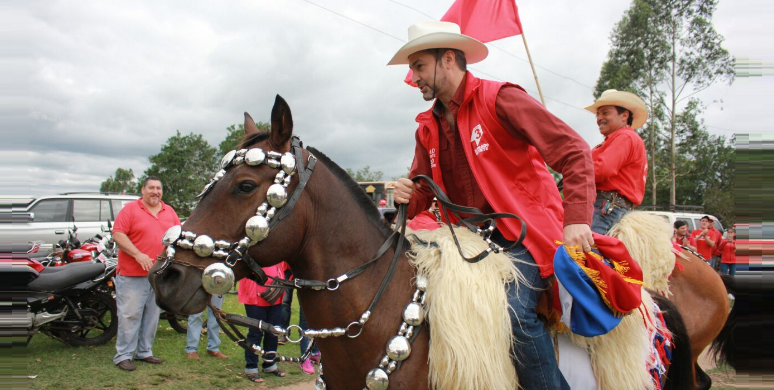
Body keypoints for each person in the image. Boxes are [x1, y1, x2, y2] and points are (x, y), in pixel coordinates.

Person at [388, 21, 595, 390]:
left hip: (523, 234)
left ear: (447, 59)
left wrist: (576, 218)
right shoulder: (425, 127)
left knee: (514, 314)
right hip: (465, 240)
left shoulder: (501, 98)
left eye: (418, 66)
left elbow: (575, 152)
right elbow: (425, 190)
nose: (413, 76)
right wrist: (408, 192)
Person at [112, 177, 181, 371]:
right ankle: (123, 355)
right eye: (151, 188)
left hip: (158, 275)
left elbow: (178, 236)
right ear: (143, 190)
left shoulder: (169, 211)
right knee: (130, 315)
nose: (155, 192)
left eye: (158, 188)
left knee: (152, 315)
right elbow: (118, 234)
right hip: (132, 274)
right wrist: (137, 254)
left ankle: (144, 352)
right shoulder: (131, 210)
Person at [584, 89, 648, 234]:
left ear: (624, 115)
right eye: (598, 114)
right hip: (608, 206)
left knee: (581, 251)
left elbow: (602, 169)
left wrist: (573, 169)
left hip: (606, 208)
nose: (599, 118)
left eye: (605, 113)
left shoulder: (624, 137)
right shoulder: (614, 141)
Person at [239, 263, 289, 383]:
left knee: (273, 332)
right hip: (255, 300)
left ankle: (269, 364)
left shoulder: (277, 254)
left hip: (275, 298)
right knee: (255, 333)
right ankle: (251, 367)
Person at [185, 294, 228, 360]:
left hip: (217, 285)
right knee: (196, 314)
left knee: (216, 313)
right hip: (199, 284)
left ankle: (213, 348)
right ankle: (191, 349)